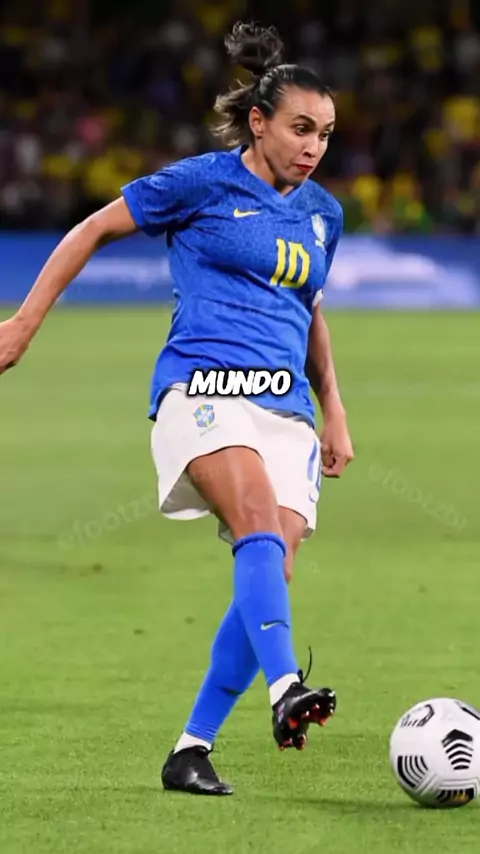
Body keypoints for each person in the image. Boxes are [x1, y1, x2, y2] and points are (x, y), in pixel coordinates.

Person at [0, 22, 354, 796]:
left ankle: (191, 749)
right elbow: (94, 228)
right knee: (256, 521)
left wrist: (334, 408)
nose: (314, 147)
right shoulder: (200, 183)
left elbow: (310, 310)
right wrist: (24, 322)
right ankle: (286, 687)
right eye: (301, 128)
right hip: (204, 388)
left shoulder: (324, 214)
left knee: (273, 568)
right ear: (258, 122)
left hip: (285, 406)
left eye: (325, 134)